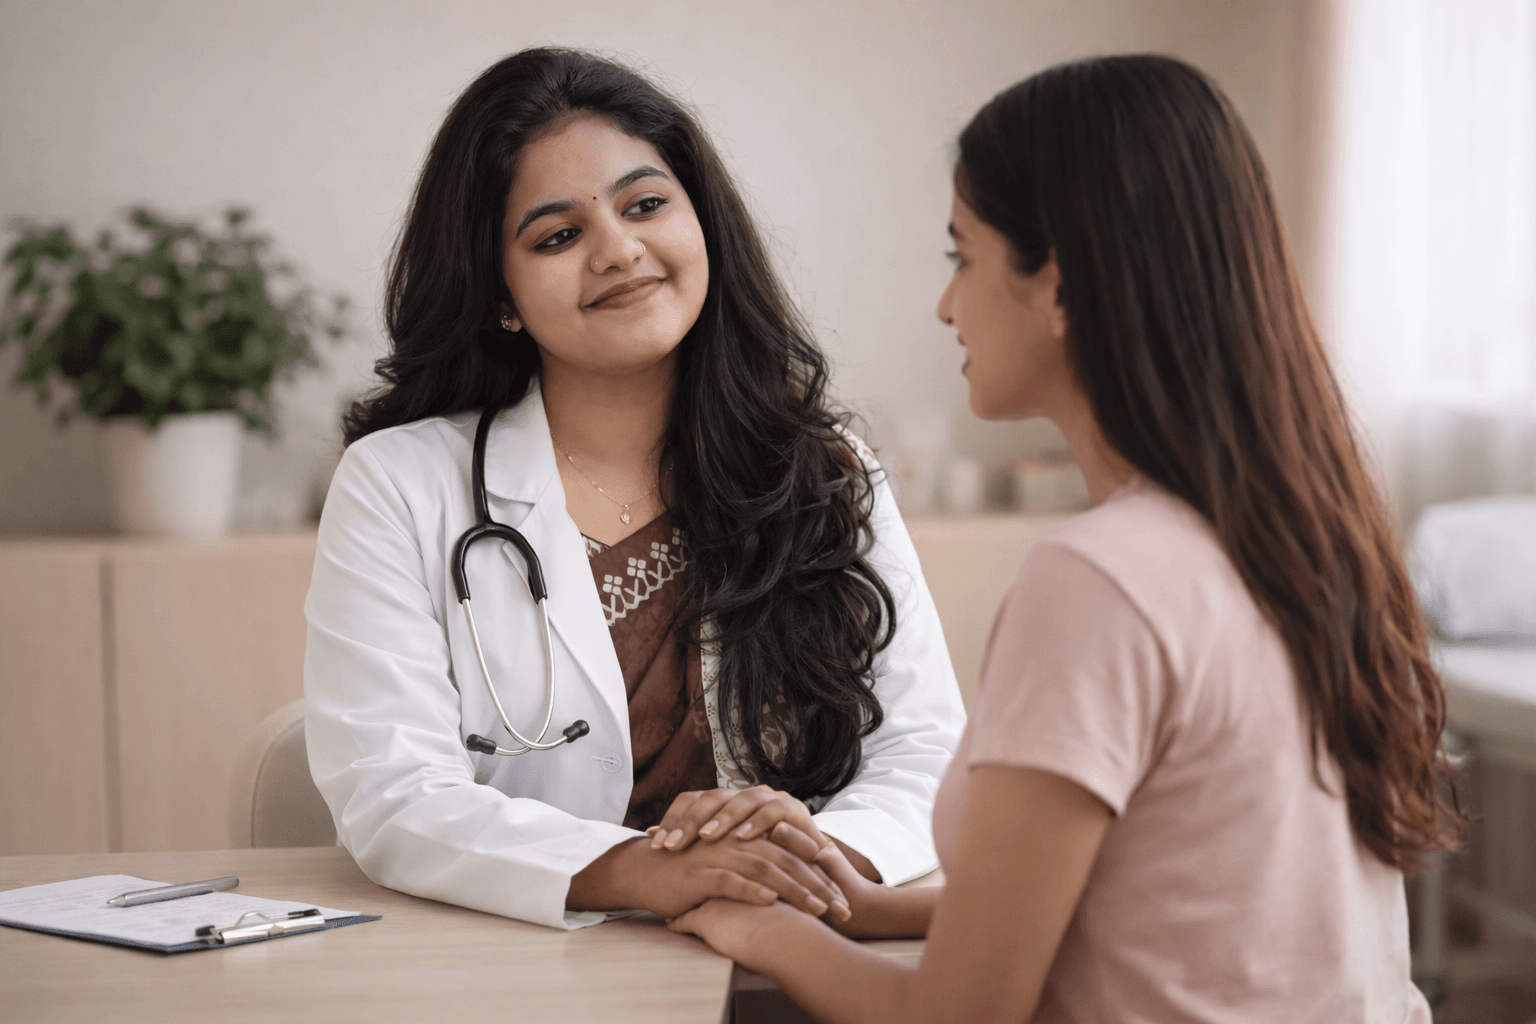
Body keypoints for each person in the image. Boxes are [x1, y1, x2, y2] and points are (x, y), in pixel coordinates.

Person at [669, 54, 1461, 1023]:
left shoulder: (1098, 582)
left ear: (1061, 285)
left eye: (962, 256)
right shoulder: (1302, 536)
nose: (946, 304)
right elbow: (1177, 902)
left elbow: (956, 1016)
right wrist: (864, 906)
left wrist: (751, 926)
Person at [303, 48, 964, 932]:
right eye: (557, 235)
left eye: (645, 204)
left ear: (703, 226)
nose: (618, 250)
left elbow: (925, 747)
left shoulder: (827, 468)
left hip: (806, 941)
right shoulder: (399, 485)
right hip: (545, 976)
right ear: (501, 294)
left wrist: (804, 861)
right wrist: (640, 871)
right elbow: (393, 792)